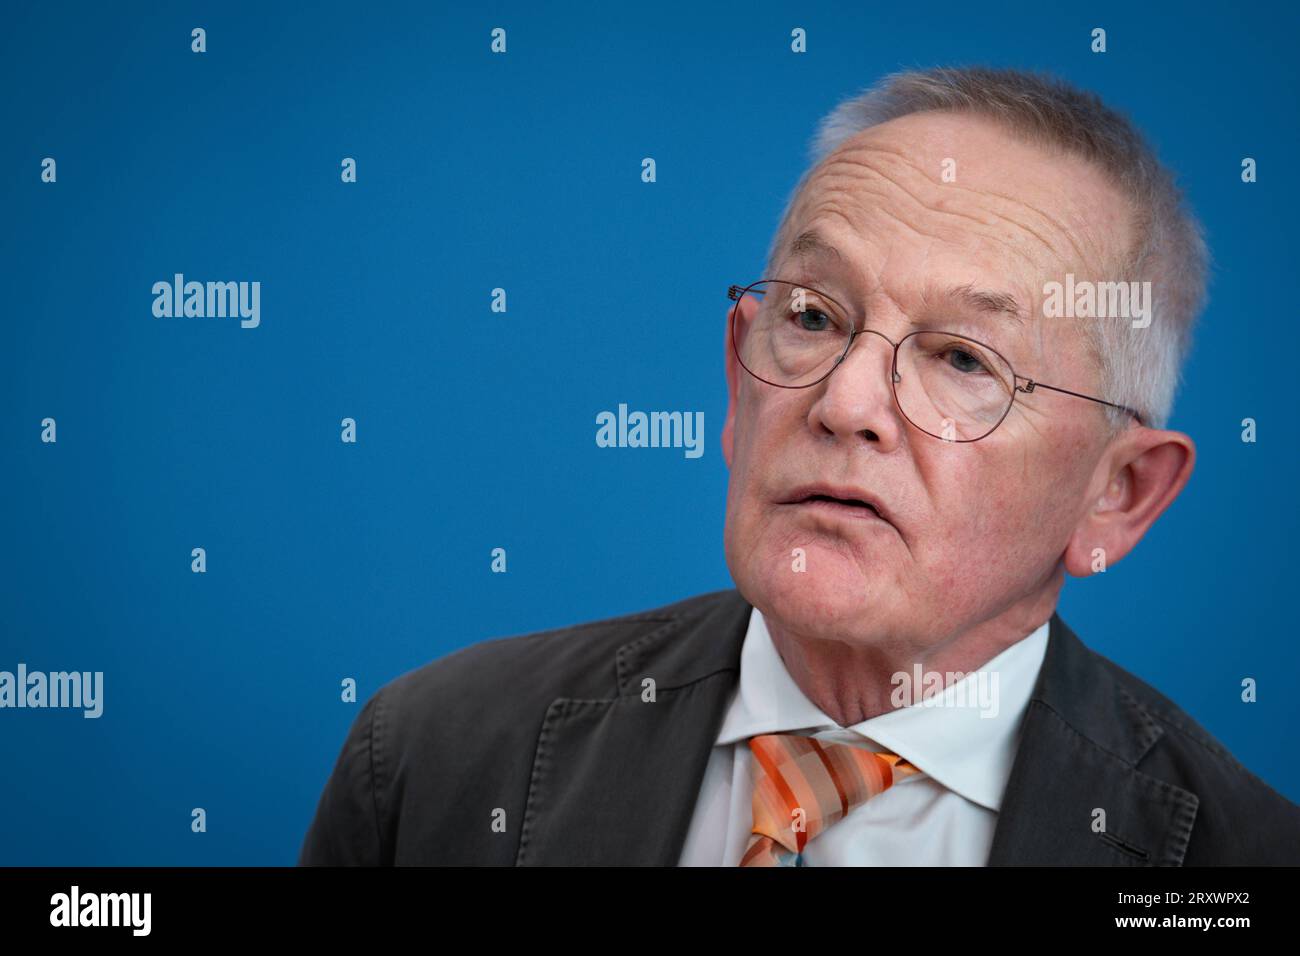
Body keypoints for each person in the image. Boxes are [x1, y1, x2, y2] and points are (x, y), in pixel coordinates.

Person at [298, 66, 1300, 866]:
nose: (846, 402)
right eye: (813, 317)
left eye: (961, 359)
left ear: (1116, 494)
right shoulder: (434, 757)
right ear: (739, 380)